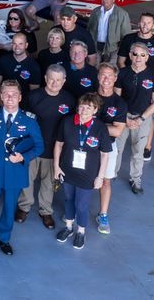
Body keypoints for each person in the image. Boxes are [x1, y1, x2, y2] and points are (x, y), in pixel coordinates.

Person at [0, 81, 43, 255]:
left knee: (9, 207)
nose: (10, 97)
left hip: (15, 172)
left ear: (20, 97)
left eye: (14, 94)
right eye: (6, 94)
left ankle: (4, 238)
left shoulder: (29, 120)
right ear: (1, 96)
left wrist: (24, 157)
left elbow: (39, 146)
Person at [16, 64, 74, 228]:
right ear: (45, 79)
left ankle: (46, 210)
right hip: (31, 147)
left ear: (63, 81)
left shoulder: (69, 100)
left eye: (58, 80)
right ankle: (24, 206)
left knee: (49, 182)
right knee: (27, 179)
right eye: (51, 79)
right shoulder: (33, 97)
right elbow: (22, 122)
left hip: (54, 150)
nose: (54, 83)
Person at [53, 93, 111, 250]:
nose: (84, 110)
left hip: (88, 174)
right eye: (82, 106)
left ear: (95, 110)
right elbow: (58, 144)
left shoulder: (100, 128)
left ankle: (81, 231)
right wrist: (56, 167)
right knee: (68, 199)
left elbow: (105, 154)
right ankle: (69, 227)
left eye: (89, 107)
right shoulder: (67, 122)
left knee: (82, 205)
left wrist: (100, 176)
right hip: (68, 170)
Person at [114, 42, 154, 196]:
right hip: (123, 117)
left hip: (143, 118)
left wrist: (140, 119)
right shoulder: (122, 73)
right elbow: (116, 98)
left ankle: (135, 179)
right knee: (117, 148)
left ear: (147, 57)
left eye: (142, 55)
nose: (138, 58)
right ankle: (111, 175)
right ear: (130, 55)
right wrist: (124, 117)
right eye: (135, 54)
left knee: (138, 151)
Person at [118, 12, 154, 162]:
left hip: (149, 85)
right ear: (138, 23)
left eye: (148, 23)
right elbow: (121, 62)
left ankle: (147, 146)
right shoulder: (128, 39)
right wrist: (128, 77)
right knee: (122, 110)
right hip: (128, 81)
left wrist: (149, 85)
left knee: (148, 116)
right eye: (143, 22)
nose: (145, 25)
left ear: (153, 26)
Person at [93, 63, 128, 235]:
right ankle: (76, 210)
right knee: (81, 179)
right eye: (103, 75)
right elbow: (80, 121)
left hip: (108, 146)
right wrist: (106, 126)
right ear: (98, 77)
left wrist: (94, 125)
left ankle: (103, 214)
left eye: (110, 76)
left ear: (115, 79)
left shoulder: (119, 103)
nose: (106, 79)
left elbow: (118, 130)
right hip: (87, 145)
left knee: (106, 181)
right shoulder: (89, 97)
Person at [87, 0, 131, 64]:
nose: (104, 0)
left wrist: (120, 49)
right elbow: (89, 28)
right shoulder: (95, 11)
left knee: (110, 71)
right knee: (94, 69)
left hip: (113, 49)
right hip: (96, 47)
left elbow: (126, 35)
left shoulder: (122, 14)